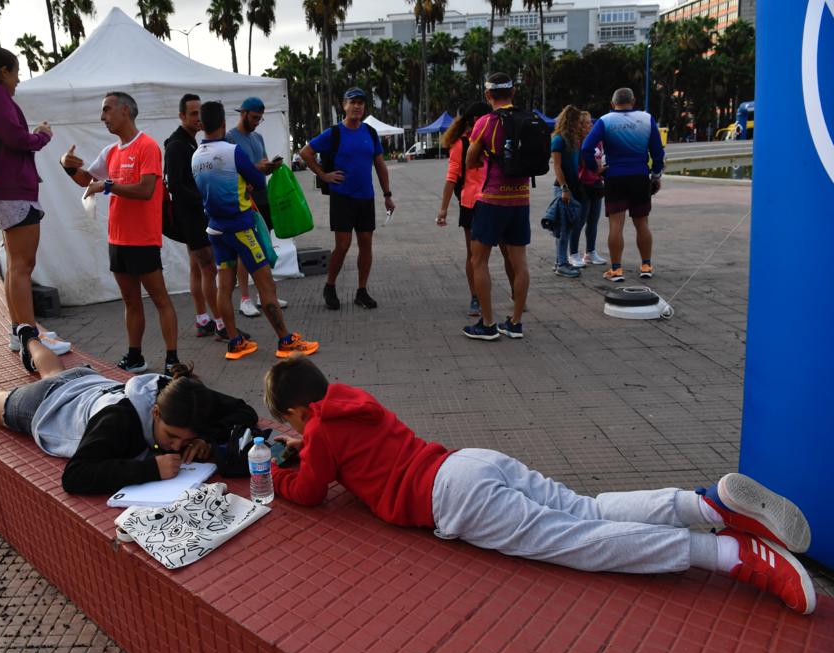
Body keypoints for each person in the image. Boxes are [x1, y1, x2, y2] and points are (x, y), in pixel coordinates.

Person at [263, 356, 816, 615]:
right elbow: (342, 450)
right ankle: (708, 506)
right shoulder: (350, 401)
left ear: (299, 412)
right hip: (468, 462)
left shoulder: (321, 432)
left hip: (451, 499)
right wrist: (307, 445)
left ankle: (730, 555)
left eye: (291, 422)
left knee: (578, 543)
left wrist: (280, 473)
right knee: (586, 509)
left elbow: (310, 491)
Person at [0, 327, 257, 495]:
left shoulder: (183, 394)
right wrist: (149, 468)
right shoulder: (118, 422)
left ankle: (29, 337)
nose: (176, 446)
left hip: (85, 384)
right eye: (172, 437)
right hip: (45, 405)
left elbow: (243, 411)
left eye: (185, 440)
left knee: (54, 372)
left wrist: (206, 440)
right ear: (154, 413)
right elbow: (75, 477)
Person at [0, 46, 71, 358]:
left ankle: (19, 331)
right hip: (12, 189)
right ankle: (31, 336)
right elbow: (16, 139)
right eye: (16, 72)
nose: (18, 80)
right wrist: (42, 135)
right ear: (3, 71)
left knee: (15, 265)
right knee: (22, 265)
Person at [59, 92, 182, 375]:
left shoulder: (147, 146)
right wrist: (67, 167)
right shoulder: (111, 152)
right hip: (117, 239)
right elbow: (87, 181)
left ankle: (172, 359)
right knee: (130, 301)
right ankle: (135, 356)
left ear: (125, 110)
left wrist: (108, 186)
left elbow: (146, 190)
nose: (102, 117)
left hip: (143, 239)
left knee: (160, 299)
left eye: (107, 110)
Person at [191, 101, 320, 362]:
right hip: (241, 227)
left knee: (224, 287)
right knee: (266, 284)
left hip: (215, 229)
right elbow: (258, 181)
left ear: (201, 125)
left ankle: (235, 342)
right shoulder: (232, 151)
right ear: (224, 123)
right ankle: (285, 341)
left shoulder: (196, 156)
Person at [300, 87, 395, 311]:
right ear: (344, 106)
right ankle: (330, 286)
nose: (357, 106)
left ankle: (362, 291)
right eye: (352, 102)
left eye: (360, 103)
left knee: (366, 244)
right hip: (342, 197)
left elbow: (380, 164)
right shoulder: (334, 133)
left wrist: (387, 194)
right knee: (342, 245)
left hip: (365, 197)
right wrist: (323, 175)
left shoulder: (370, 133)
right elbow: (306, 152)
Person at [463, 73, 531, 341]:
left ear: (488, 95)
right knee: (520, 263)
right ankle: (515, 322)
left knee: (478, 260)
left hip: (492, 199)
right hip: (521, 199)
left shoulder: (486, 122)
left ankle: (488, 324)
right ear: (513, 92)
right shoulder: (528, 118)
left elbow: (470, 160)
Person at [581, 87, 665, 282]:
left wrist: (595, 168)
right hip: (639, 176)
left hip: (615, 177)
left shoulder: (605, 121)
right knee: (642, 223)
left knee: (616, 224)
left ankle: (616, 270)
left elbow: (586, 148)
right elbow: (657, 151)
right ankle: (646, 266)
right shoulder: (646, 119)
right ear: (633, 101)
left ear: (612, 103)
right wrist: (656, 175)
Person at [164, 94, 226, 341]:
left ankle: (202, 319)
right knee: (208, 268)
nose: (198, 118)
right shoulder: (177, 145)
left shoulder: (189, 142)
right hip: (191, 218)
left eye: (200, 113)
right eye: (192, 113)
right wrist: (204, 198)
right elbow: (175, 185)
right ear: (181, 116)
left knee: (197, 267)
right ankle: (221, 324)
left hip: (194, 216)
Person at [225, 96, 289, 318]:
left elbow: (262, 167)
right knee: (245, 250)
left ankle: (265, 294)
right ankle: (245, 298)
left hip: (262, 197)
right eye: (254, 118)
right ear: (243, 113)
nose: (256, 122)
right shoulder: (230, 138)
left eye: (260, 119)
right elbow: (229, 171)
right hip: (244, 201)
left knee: (263, 246)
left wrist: (271, 166)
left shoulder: (258, 137)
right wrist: (255, 167)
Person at [436, 102, 500, 316]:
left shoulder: (493, 140)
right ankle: (475, 297)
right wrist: (443, 209)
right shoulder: (461, 144)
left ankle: (515, 293)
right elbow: (451, 177)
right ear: (476, 121)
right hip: (471, 204)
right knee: (474, 255)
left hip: (496, 200)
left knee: (507, 250)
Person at [549, 105, 587, 278]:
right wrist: (564, 188)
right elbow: (557, 166)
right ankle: (562, 264)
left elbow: (578, 164)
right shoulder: (558, 139)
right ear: (571, 121)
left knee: (568, 226)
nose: (580, 125)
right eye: (578, 121)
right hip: (563, 188)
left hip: (574, 186)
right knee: (563, 228)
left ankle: (560, 261)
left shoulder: (574, 140)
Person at [570, 110, 607, 268]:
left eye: (590, 122)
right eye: (586, 123)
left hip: (596, 184)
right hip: (583, 185)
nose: (590, 125)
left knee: (593, 221)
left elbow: (601, 158)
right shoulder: (577, 142)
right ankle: (573, 253)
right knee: (580, 220)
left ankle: (590, 252)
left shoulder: (597, 141)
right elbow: (582, 162)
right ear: (579, 125)